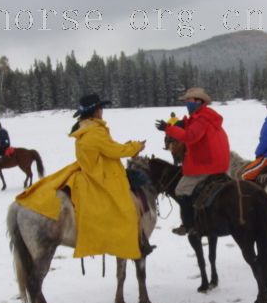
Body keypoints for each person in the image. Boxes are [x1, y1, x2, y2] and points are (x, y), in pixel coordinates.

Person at [15, 93, 152, 259]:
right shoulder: (95, 132)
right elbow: (115, 151)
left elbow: (106, 149)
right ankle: (130, 242)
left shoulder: (83, 128)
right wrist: (136, 146)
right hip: (101, 174)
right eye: (100, 108)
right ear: (95, 111)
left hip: (87, 169)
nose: (102, 111)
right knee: (127, 209)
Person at [155, 87, 230, 235]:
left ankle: (190, 224)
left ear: (198, 101)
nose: (186, 103)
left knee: (180, 190)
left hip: (206, 165)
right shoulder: (205, 116)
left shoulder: (201, 119)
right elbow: (191, 126)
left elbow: (190, 136)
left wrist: (169, 129)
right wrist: (182, 124)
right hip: (219, 163)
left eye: (188, 101)